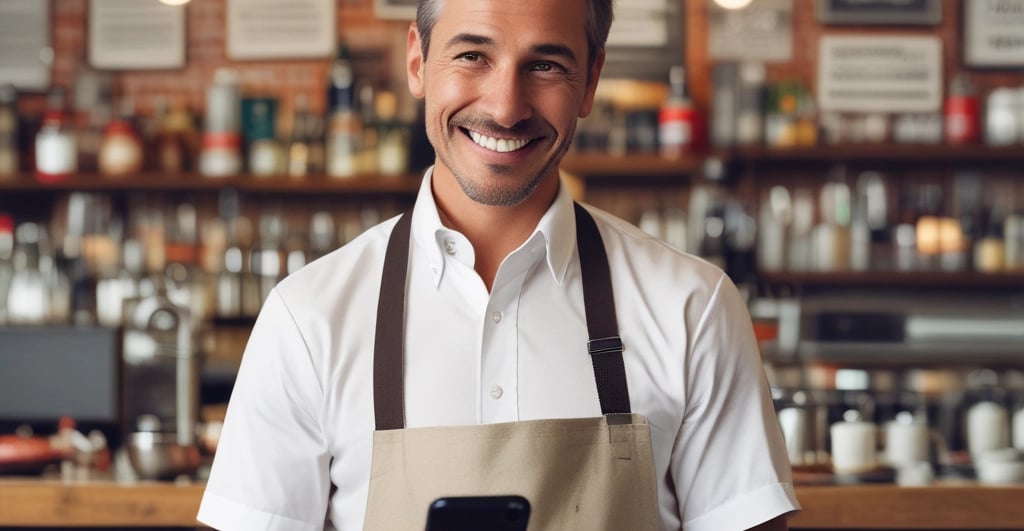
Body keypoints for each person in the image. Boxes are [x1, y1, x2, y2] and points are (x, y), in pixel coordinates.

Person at [197, 0, 800, 529]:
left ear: (590, 81)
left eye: (545, 65)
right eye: (472, 56)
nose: (506, 107)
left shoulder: (695, 307)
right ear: (417, 61)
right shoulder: (307, 318)